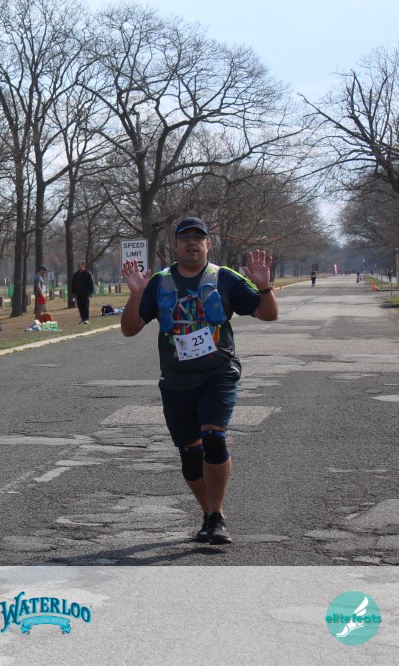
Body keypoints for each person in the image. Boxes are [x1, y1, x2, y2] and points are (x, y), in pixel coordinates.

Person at [120, 216, 278, 546]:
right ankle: (209, 515)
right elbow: (130, 329)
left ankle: (217, 514)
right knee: (190, 453)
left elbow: (268, 314)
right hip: (176, 379)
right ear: (175, 245)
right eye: (185, 237)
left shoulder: (225, 278)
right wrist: (136, 295)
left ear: (208, 243)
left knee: (214, 437)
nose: (191, 242)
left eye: (198, 237)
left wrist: (264, 287)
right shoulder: (160, 282)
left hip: (218, 372)